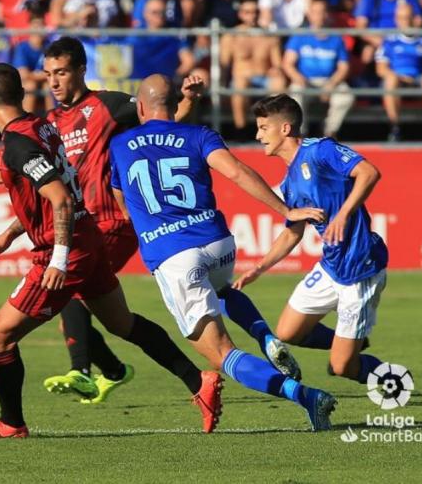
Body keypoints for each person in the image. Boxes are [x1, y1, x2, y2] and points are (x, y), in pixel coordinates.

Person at [0, 63, 224, 439]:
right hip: (89, 237)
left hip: (66, 247)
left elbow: (59, 200)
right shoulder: (41, 127)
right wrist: (8, 235)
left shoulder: (18, 143)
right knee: (122, 324)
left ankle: (11, 422)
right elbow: (58, 190)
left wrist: (58, 258)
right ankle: (198, 380)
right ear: (21, 94)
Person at [110, 75, 337, 431]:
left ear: (140, 107)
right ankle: (265, 337)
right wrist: (285, 210)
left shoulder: (120, 144)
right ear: (174, 105)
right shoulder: (200, 135)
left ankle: (306, 396)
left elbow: (122, 203)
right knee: (223, 290)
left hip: (174, 256)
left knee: (222, 354)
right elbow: (236, 171)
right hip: (217, 244)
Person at [235, 94, 389, 386]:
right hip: (331, 266)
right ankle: (354, 342)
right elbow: (294, 231)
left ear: (284, 129)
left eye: (263, 128)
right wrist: (258, 268)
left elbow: (369, 172)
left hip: (360, 268)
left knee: (343, 367)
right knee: (288, 332)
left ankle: (387, 377)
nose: (258, 135)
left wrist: (343, 214)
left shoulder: (321, 150)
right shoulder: (290, 181)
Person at [283, 0, 354, 138]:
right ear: (309, 14)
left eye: (322, 12)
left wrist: (332, 83)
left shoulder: (336, 38)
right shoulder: (300, 36)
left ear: (327, 14)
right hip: (305, 81)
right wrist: (298, 78)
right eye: (315, 12)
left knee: (346, 96)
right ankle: (301, 133)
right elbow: (287, 63)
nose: (319, 16)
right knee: (296, 93)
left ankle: (329, 131)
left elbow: (344, 67)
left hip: (329, 81)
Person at [375, 2, 422, 142]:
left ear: (414, 18)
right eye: (401, 18)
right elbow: (381, 69)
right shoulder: (389, 41)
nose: (405, 21)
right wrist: (399, 77)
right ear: (396, 20)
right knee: (390, 80)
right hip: (398, 80)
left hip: (419, 80)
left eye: (407, 17)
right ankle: (395, 128)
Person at [220, 0, 287, 129]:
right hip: (241, 78)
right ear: (240, 14)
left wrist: (276, 70)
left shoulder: (269, 36)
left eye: (255, 12)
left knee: (279, 81)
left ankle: (275, 129)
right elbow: (223, 65)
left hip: (264, 78)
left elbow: (278, 64)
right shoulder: (231, 36)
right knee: (240, 84)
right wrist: (222, 89)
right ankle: (241, 129)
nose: (252, 16)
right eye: (248, 12)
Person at [354, 0, 422, 66]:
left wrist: (404, 38)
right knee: (368, 53)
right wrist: (381, 42)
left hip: (403, 39)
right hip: (379, 40)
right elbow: (360, 27)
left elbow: (418, 20)